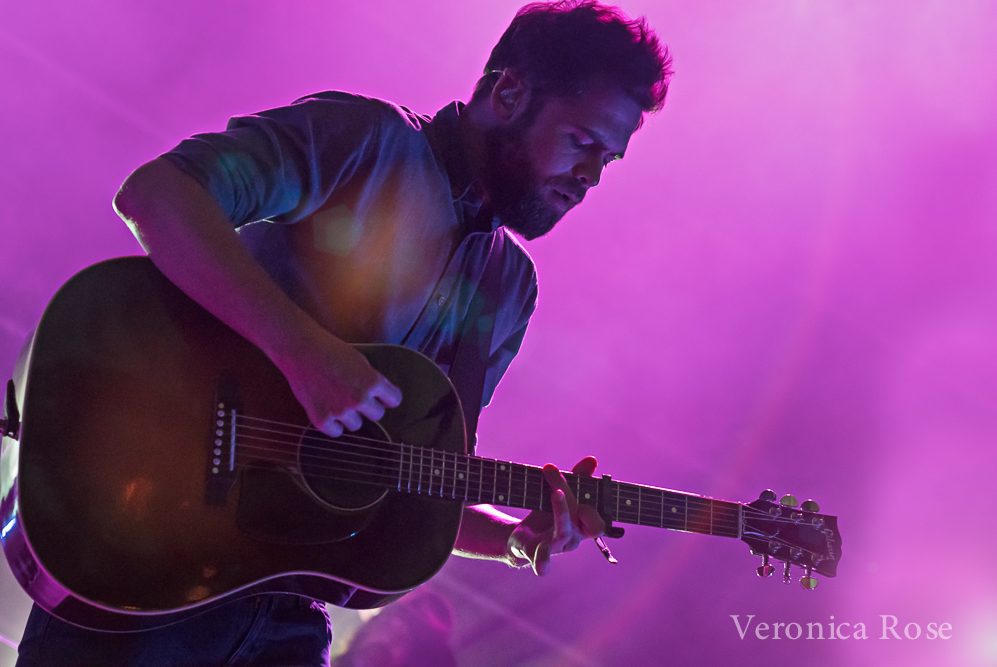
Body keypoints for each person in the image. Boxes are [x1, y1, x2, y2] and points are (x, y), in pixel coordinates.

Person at [15, 1, 671, 664]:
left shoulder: (510, 290)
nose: (590, 177)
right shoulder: (364, 141)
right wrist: (302, 353)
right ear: (508, 94)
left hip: (290, 615)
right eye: (582, 142)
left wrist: (513, 539)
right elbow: (157, 193)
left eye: (608, 160)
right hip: (147, 549)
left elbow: (414, 480)